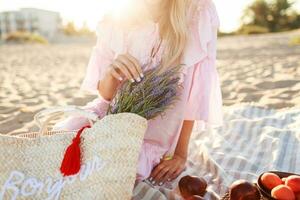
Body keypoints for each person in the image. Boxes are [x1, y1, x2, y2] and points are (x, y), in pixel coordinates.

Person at [53, 0, 223, 188]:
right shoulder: (115, 16)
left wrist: (180, 154)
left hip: (155, 136)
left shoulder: (198, 11)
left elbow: (195, 96)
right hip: (110, 118)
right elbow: (106, 96)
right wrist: (111, 73)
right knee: (61, 154)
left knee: (109, 172)